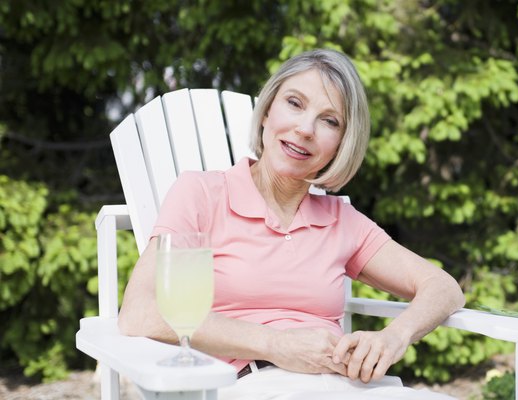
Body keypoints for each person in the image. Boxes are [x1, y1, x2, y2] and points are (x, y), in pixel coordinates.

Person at [118, 48, 465, 399]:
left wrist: (392, 338)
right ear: (267, 111)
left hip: (354, 388)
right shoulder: (202, 194)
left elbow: (443, 287)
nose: (305, 129)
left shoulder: (341, 221)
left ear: (341, 145)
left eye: (330, 121)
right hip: (253, 385)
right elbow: (140, 314)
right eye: (295, 103)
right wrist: (273, 343)